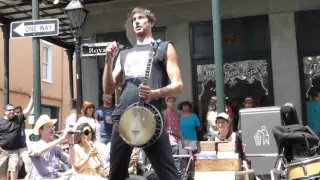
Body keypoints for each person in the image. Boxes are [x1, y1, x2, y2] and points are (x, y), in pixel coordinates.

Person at [103, 7, 183, 180]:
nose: (137, 22)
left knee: (168, 175)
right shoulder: (124, 54)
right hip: (123, 118)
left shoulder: (164, 47)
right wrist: (108, 62)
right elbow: (108, 89)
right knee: (116, 175)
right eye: (134, 20)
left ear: (151, 22)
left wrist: (154, 94)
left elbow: (178, 86)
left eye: (141, 18)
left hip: (151, 117)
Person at [28, 114, 73, 180]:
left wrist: (72, 143)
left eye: (53, 127)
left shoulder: (56, 148)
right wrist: (61, 139)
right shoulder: (33, 145)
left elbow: (72, 161)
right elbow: (39, 151)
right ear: (41, 131)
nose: (52, 129)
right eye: (49, 127)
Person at [0, 96, 33, 180]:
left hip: (14, 151)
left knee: (14, 171)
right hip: (2, 151)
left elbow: (28, 109)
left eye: (13, 110)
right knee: (3, 174)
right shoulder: (0, 121)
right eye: (9, 110)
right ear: (5, 111)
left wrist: (33, 97)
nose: (12, 111)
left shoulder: (18, 118)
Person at [163, 97, 184, 176]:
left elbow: (178, 128)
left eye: (173, 101)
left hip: (176, 140)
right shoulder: (164, 113)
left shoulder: (176, 114)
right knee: (170, 160)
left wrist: (182, 140)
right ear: (166, 102)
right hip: (168, 140)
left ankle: (176, 176)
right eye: (170, 101)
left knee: (176, 160)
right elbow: (163, 128)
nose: (172, 102)